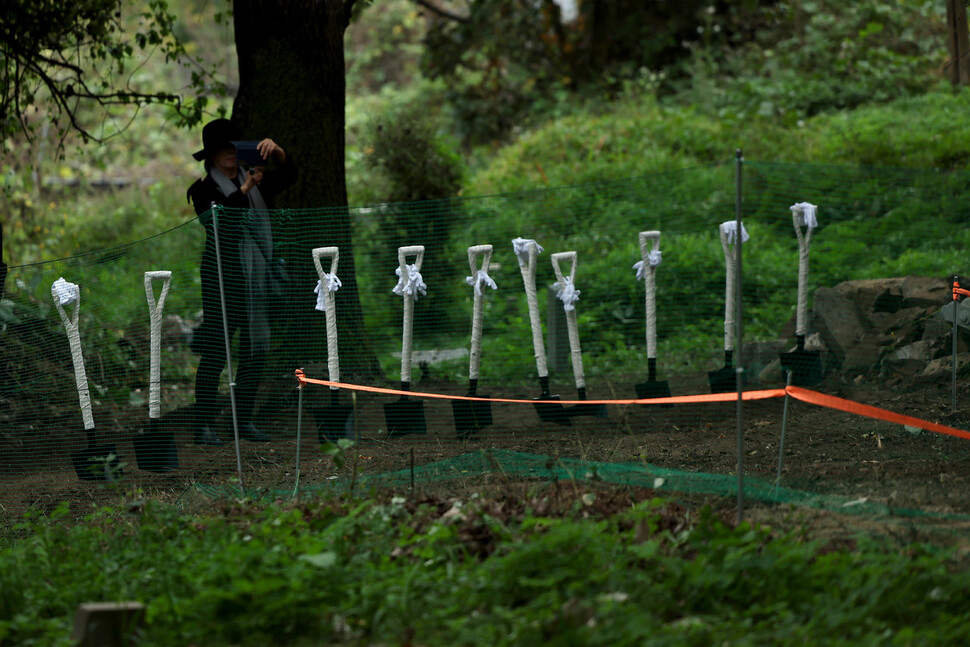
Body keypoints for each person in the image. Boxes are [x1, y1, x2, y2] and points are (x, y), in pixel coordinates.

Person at [187, 118, 297, 446]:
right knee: (217, 351)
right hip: (223, 279)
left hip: (258, 280)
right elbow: (220, 225)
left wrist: (278, 152)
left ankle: (242, 421)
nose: (230, 155)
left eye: (234, 148)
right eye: (223, 150)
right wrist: (244, 190)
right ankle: (203, 425)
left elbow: (290, 176)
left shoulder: (258, 182)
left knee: (254, 352)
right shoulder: (203, 190)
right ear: (211, 157)